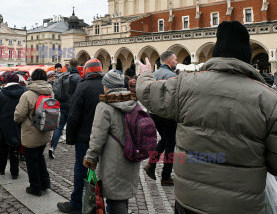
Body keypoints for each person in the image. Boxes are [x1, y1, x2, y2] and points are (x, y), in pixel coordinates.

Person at [136, 21, 277, 214]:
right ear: (246, 55)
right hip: (241, 206)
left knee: (167, 143)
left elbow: (146, 92)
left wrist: (144, 74)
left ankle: (154, 164)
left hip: (189, 201)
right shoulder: (269, 99)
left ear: (216, 52)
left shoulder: (185, 85)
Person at [83, 70, 140, 214]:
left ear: (107, 86)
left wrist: (90, 158)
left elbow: (97, 137)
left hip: (113, 159)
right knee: (123, 195)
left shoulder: (104, 106)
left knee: (114, 199)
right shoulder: (134, 103)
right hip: (132, 155)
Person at [57, 59, 104, 213]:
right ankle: (103, 204)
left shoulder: (83, 87)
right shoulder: (107, 86)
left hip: (85, 137)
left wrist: (70, 138)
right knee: (105, 170)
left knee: (81, 169)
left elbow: (74, 115)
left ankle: (76, 204)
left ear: (87, 71)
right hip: (105, 137)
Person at [14, 69, 53, 197]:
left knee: (31, 160)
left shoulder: (28, 94)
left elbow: (19, 115)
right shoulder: (50, 92)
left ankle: (35, 187)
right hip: (45, 131)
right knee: (40, 157)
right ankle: (45, 183)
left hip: (31, 133)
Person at [143, 50, 178, 186]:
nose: (176, 62)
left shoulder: (153, 74)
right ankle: (166, 176)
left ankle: (151, 164)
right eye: (175, 59)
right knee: (170, 144)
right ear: (169, 61)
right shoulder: (171, 75)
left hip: (153, 113)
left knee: (165, 139)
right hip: (167, 114)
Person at [0, 73, 28, 179]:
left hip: (4, 123)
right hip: (19, 122)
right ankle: (14, 171)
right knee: (15, 146)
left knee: (4, 147)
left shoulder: (2, 93)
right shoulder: (25, 92)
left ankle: (1, 168)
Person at [49, 58, 81, 159]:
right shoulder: (77, 77)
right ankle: (78, 149)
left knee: (59, 127)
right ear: (77, 65)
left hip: (62, 104)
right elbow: (79, 93)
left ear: (69, 65)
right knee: (77, 127)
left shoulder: (64, 75)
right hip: (71, 106)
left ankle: (52, 147)